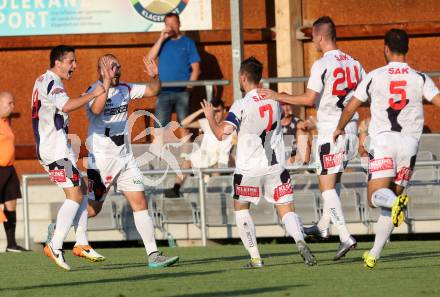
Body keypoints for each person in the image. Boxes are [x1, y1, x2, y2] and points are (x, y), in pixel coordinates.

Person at [259, 16, 365, 260]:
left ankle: (346, 236)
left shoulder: (322, 64)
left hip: (331, 132)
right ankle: (324, 226)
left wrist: (279, 96)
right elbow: (363, 93)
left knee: (325, 186)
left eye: (313, 37)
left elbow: (308, 99)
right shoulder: (355, 62)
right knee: (333, 181)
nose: (313, 42)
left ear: (319, 36)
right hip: (350, 129)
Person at [333, 29, 440, 268]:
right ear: (408, 49)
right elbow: (438, 100)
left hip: (383, 142)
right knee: (392, 200)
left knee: (375, 198)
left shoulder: (374, 76)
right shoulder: (420, 77)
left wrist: (339, 128)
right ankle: (374, 253)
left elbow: (351, 107)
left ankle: (392, 206)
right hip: (410, 145)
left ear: (386, 49)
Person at [201, 57, 317, 268]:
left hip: (248, 169)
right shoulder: (275, 101)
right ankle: (299, 240)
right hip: (275, 166)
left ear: (243, 77)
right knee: (287, 209)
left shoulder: (241, 105)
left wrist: (210, 116)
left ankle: (255, 258)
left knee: (241, 209)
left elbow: (220, 134)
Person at [79, 54, 179, 268]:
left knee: (140, 203)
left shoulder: (125, 88)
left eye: (117, 65)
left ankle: (153, 255)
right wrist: (105, 84)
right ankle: (59, 225)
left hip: (125, 159)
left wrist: (155, 75)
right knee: (93, 210)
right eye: (111, 66)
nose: (117, 69)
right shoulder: (92, 90)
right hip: (101, 162)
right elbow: (96, 109)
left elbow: (154, 90)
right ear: (101, 70)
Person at [32, 45, 109, 270]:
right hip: (53, 150)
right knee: (75, 194)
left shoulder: (43, 79)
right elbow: (66, 105)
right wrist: (92, 94)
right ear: (58, 62)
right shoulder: (53, 82)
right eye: (71, 61)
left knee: (81, 188)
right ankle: (55, 245)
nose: (74, 66)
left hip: (56, 148)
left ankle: (82, 243)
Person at [164, 98, 234, 198]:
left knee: (216, 168)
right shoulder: (207, 122)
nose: (216, 114)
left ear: (224, 111)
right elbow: (183, 123)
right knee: (187, 162)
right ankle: (176, 189)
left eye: (218, 111)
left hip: (221, 161)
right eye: (213, 111)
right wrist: (202, 111)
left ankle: (214, 198)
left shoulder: (231, 126)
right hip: (205, 157)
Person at [147, 12, 201, 128]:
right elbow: (149, 59)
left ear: (179, 24)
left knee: (185, 128)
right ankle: (159, 147)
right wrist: (161, 38)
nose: (170, 27)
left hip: (182, 92)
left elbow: (196, 69)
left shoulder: (188, 43)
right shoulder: (163, 42)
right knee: (159, 129)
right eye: (168, 24)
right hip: (163, 92)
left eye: (173, 23)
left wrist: (189, 89)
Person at [0, 92, 27, 252]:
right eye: (9, 103)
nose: (12, 106)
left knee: (11, 204)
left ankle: (11, 244)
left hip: (9, 169)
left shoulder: (6, 121)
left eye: (13, 103)